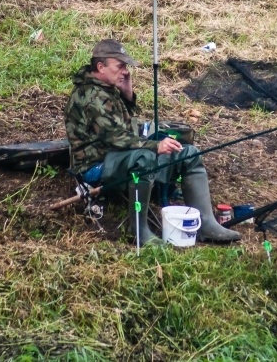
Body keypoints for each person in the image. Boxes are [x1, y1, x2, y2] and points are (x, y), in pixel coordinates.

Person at [64, 39, 241, 243]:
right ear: (101, 66)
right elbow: (116, 138)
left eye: (126, 66)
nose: (125, 71)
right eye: (120, 66)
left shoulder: (105, 88)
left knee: (188, 154)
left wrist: (128, 94)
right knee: (146, 158)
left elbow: (125, 124)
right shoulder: (90, 97)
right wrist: (155, 146)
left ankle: (206, 223)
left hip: (120, 157)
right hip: (96, 166)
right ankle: (139, 231)